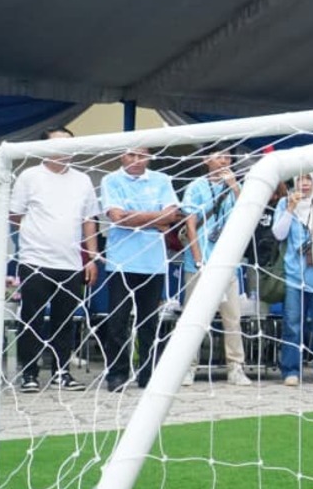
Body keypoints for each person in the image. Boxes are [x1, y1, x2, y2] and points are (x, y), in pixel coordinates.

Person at [9, 127, 101, 392]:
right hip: (34, 260)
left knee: (65, 320)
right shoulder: (29, 176)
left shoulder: (83, 180)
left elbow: (89, 220)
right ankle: (29, 375)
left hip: (71, 263)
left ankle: (62, 372)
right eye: (59, 144)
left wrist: (91, 258)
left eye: (70, 144)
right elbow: (14, 215)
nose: (65, 150)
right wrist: (35, 232)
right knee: (32, 319)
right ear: (44, 148)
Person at [99, 146, 180, 392]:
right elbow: (117, 217)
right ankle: (117, 374)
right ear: (121, 156)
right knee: (117, 321)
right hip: (120, 262)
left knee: (149, 323)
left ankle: (148, 374)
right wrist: (156, 218)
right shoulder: (110, 179)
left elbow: (172, 215)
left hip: (153, 263)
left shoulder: (162, 180)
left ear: (150, 157)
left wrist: (135, 216)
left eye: (142, 155)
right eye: (131, 155)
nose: (136, 160)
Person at [180, 146, 251, 387]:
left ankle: (236, 367)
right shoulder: (196, 187)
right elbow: (190, 225)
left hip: (227, 264)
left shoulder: (234, 187)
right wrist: (199, 259)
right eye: (219, 156)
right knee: (194, 318)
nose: (224, 161)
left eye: (228, 156)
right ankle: (187, 366)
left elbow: (248, 212)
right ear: (205, 159)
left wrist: (234, 186)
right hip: (198, 263)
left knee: (232, 318)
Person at [272, 173, 313, 386]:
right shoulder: (284, 202)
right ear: (294, 182)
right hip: (294, 275)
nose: (305, 183)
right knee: (292, 324)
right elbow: (279, 234)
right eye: (300, 179)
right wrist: (290, 208)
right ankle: (291, 371)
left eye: (309, 179)